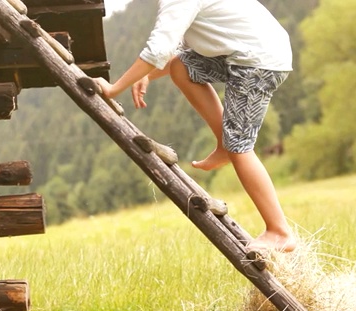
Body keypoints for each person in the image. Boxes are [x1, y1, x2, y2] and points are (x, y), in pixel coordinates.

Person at [94, 0, 296, 252]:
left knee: (240, 147)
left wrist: (114, 89)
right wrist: (145, 74)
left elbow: (158, 48)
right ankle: (224, 143)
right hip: (254, 50)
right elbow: (176, 50)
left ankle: (279, 231)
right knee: (183, 67)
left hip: (257, 61)